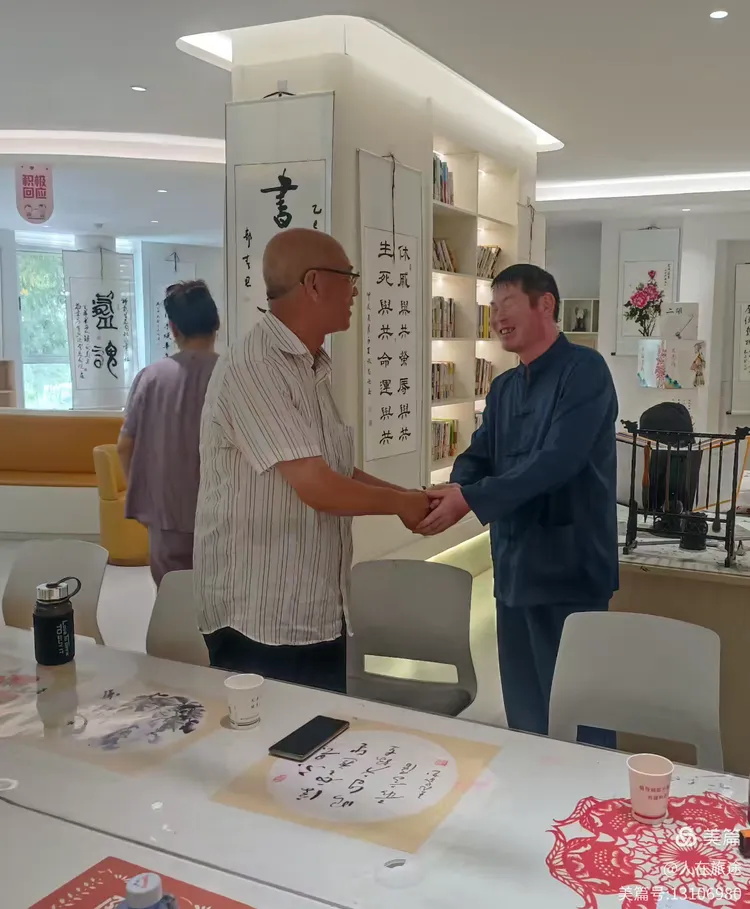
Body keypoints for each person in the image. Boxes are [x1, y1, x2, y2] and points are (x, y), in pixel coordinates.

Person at [194, 228, 430, 692]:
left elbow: (333, 471)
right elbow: (317, 486)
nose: (356, 291)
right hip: (262, 615)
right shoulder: (258, 366)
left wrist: (408, 496)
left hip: (310, 604)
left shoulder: (308, 365)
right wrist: (401, 506)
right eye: (349, 277)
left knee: (319, 733)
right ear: (315, 283)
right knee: (276, 736)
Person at [418, 264, 618, 746]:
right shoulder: (505, 387)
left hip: (571, 568)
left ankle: (592, 789)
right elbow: (479, 454)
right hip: (514, 565)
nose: (497, 317)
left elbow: (558, 461)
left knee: (580, 710)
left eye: (507, 303)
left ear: (545, 304)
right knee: (525, 710)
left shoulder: (585, 371)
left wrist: (470, 498)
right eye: (493, 307)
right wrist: (450, 490)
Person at [117, 280, 220, 587]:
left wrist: (145, 497)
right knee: (220, 601)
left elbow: (124, 445)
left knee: (171, 598)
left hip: (165, 516)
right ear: (216, 323)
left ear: (174, 329)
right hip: (222, 514)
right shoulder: (233, 375)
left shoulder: (150, 377)